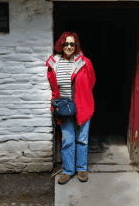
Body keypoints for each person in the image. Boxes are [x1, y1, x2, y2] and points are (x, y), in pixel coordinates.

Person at [46, 32, 96, 185]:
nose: (69, 47)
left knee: (82, 139)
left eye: (72, 44)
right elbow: (52, 84)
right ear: (61, 45)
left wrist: (82, 97)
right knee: (68, 140)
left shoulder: (84, 62)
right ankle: (68, 170)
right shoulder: (54, 62)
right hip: (64, 107)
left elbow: (91, 81)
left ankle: (81, 168)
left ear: (76, 46)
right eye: (66, 44)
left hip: (82, 105)